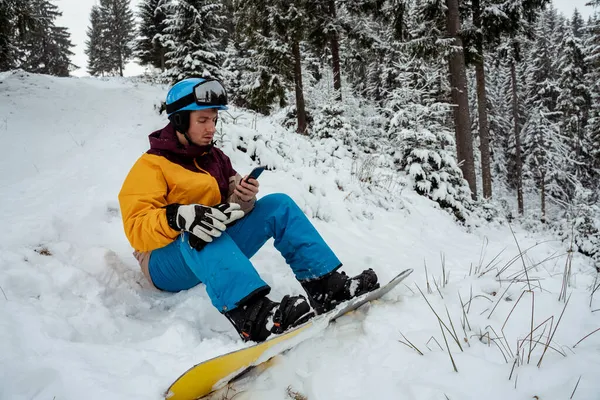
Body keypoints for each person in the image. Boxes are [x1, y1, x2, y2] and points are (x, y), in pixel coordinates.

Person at [118, 77, 379, 342]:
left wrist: (243, 199)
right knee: (202, 230)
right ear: (179, 121)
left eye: (214, 120)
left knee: (279, 205)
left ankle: (326, 287)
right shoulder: (151, 166)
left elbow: (232, 206)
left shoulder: (215, 157)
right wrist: (177, 217)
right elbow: (136, 229)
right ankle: (254, 317)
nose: (211, 128)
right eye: (203, 120)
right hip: (165, 265)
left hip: (212, 251)